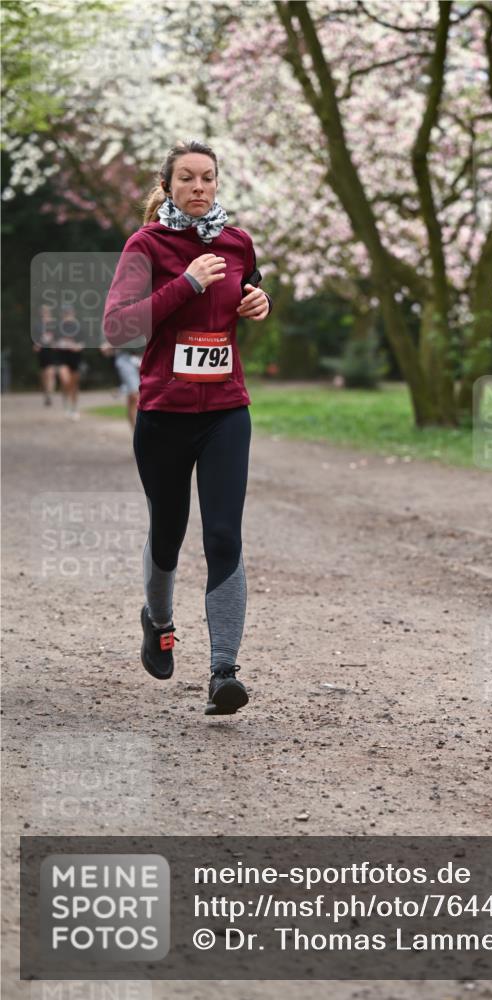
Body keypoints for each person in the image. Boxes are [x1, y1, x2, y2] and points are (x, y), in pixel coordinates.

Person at [103, 138, 273, 717]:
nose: (199, 187)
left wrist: (258, 302)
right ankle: (159, 622)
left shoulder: (237, 242)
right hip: (164, 415)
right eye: (187, 179)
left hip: (226, 410)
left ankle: (224, 670)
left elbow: (248, 290)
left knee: (224, 535)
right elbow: (119, 326)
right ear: (168, 186)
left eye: (208, 178)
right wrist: (188, 283)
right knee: (169, 531)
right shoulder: (146, 244)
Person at [53, 304, 85, 419]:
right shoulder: (58, 328)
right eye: (65, 313)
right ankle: (66, 403)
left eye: (69, 313)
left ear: (73, 314)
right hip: (62, 358)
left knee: (74, 385)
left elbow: (83, 343)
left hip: (75, 357)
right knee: (65, 380)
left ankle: (74, 408)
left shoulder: (78, 327)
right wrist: (60, 345)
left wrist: (77, 346)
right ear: (62, 315)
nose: (67, 316)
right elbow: (53, 343)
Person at [100, 343, 142, 429]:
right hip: (125, 359)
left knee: (135, 396)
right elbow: (105, 348)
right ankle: (135, 430)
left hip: (141, 358)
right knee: (134, 395)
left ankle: (136, 430)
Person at [32, 303, 57, 405]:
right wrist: (36, 344)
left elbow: (58, 336)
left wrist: (55, 343)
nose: (45, 313)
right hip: (42, 351)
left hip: (52, 350)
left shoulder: (54, 324)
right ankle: (46, 393)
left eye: (46, 311)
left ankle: (49, 395)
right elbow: (35, 338)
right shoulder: (37, 325)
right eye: (43, 311)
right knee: (43, 375)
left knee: (50, 373)